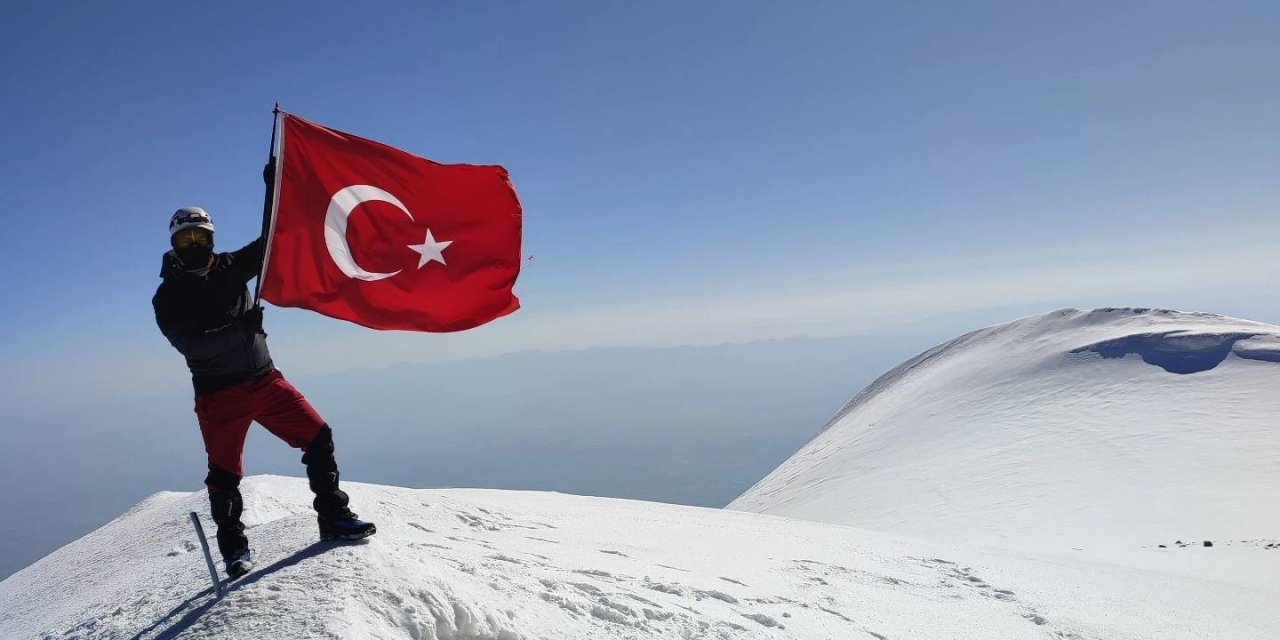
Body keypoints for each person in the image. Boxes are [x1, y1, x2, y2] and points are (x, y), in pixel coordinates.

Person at [152, 206, 375, 579]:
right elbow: (192, 345)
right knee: (224, 475)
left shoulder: (230, 267)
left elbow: (271, 243)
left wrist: (281, 194)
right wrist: (242, 330)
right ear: (174, 245)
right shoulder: (168, 296)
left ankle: (334, 517)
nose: (194, 245)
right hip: (220, 394)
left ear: (211, 238)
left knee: (318, 436)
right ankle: (235, 552)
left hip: (265, 379)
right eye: (185, 239)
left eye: (200, 237)